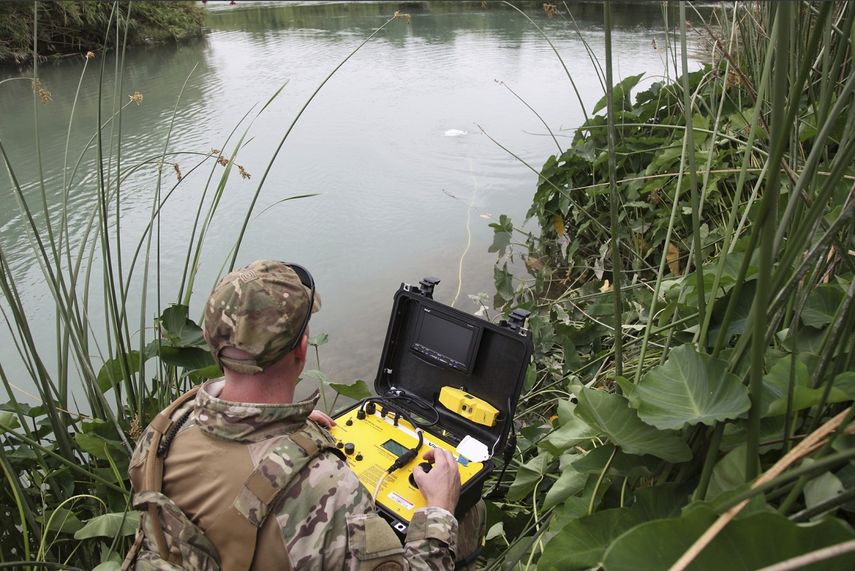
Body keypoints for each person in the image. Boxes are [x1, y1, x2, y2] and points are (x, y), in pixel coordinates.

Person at [124, 259, 483, 570]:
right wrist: (439, 512)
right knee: (470, 511)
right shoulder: (327, 488)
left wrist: (287, 437)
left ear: (213, 343)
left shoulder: (167, 429)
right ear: (301, 347)